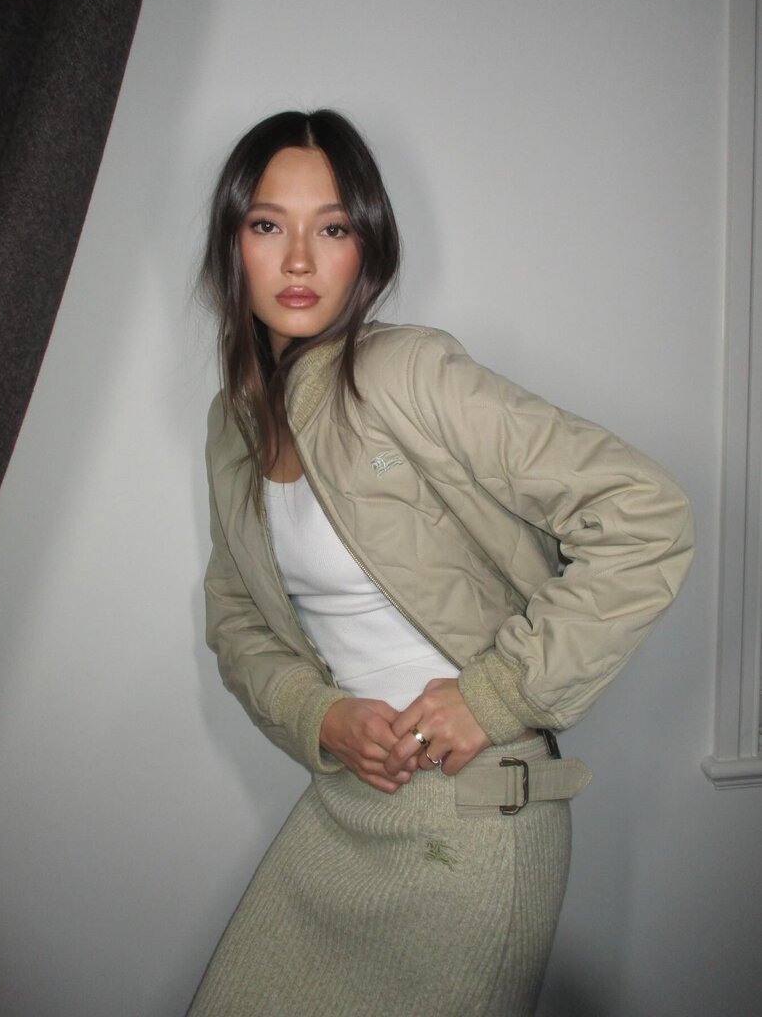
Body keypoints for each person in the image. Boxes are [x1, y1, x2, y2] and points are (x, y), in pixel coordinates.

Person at [187, 110, 693, 1017]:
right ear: (233, 243)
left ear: (367, 246)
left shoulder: (406, 373)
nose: (298, 259)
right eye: (267, 224)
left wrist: (495, 694)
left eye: (331, 228)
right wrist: (318, 713)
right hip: (348, 805)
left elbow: (644, 514)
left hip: (475, 820)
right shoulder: (234, 425)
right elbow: (235, 619)